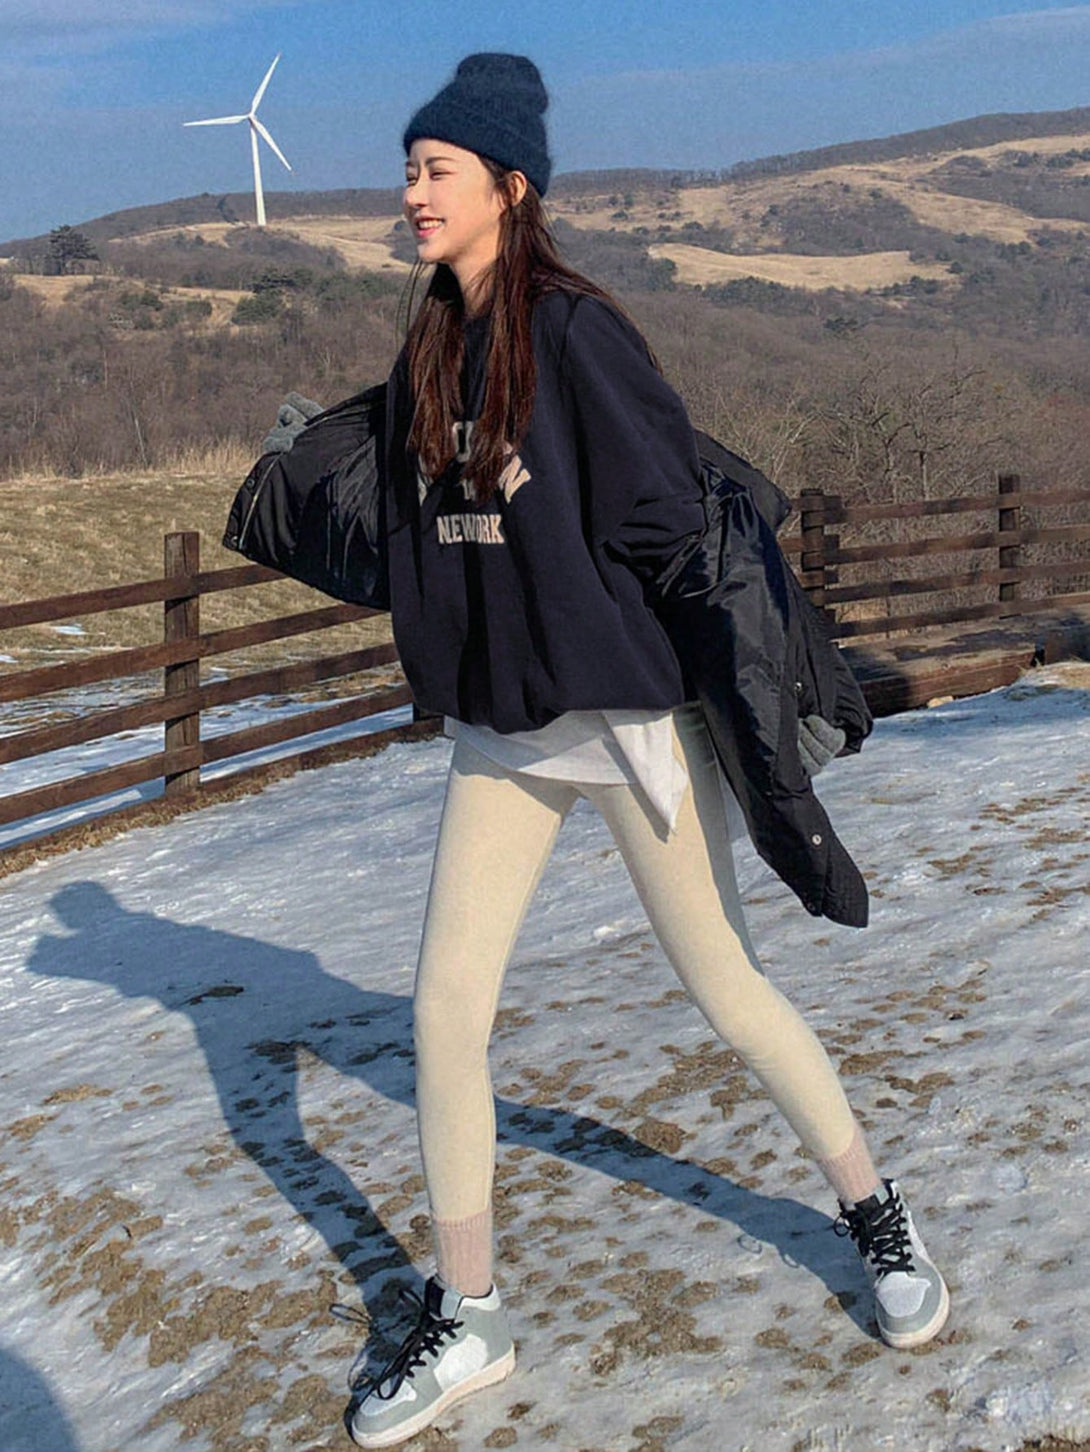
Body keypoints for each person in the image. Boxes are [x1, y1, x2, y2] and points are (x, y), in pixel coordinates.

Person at [232, 53, 950, 1450]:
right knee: (443, 1013)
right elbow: (403, 521)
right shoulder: (431, 341)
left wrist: (755, 704)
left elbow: (671, 526)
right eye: (406, 169)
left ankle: (873, 1212)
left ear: (510, 186)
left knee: (726, 988)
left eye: (433, 170)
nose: (407, 194)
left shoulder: (575, 336)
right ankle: (473, 1311)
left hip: (628, 726)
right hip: (506, 736)